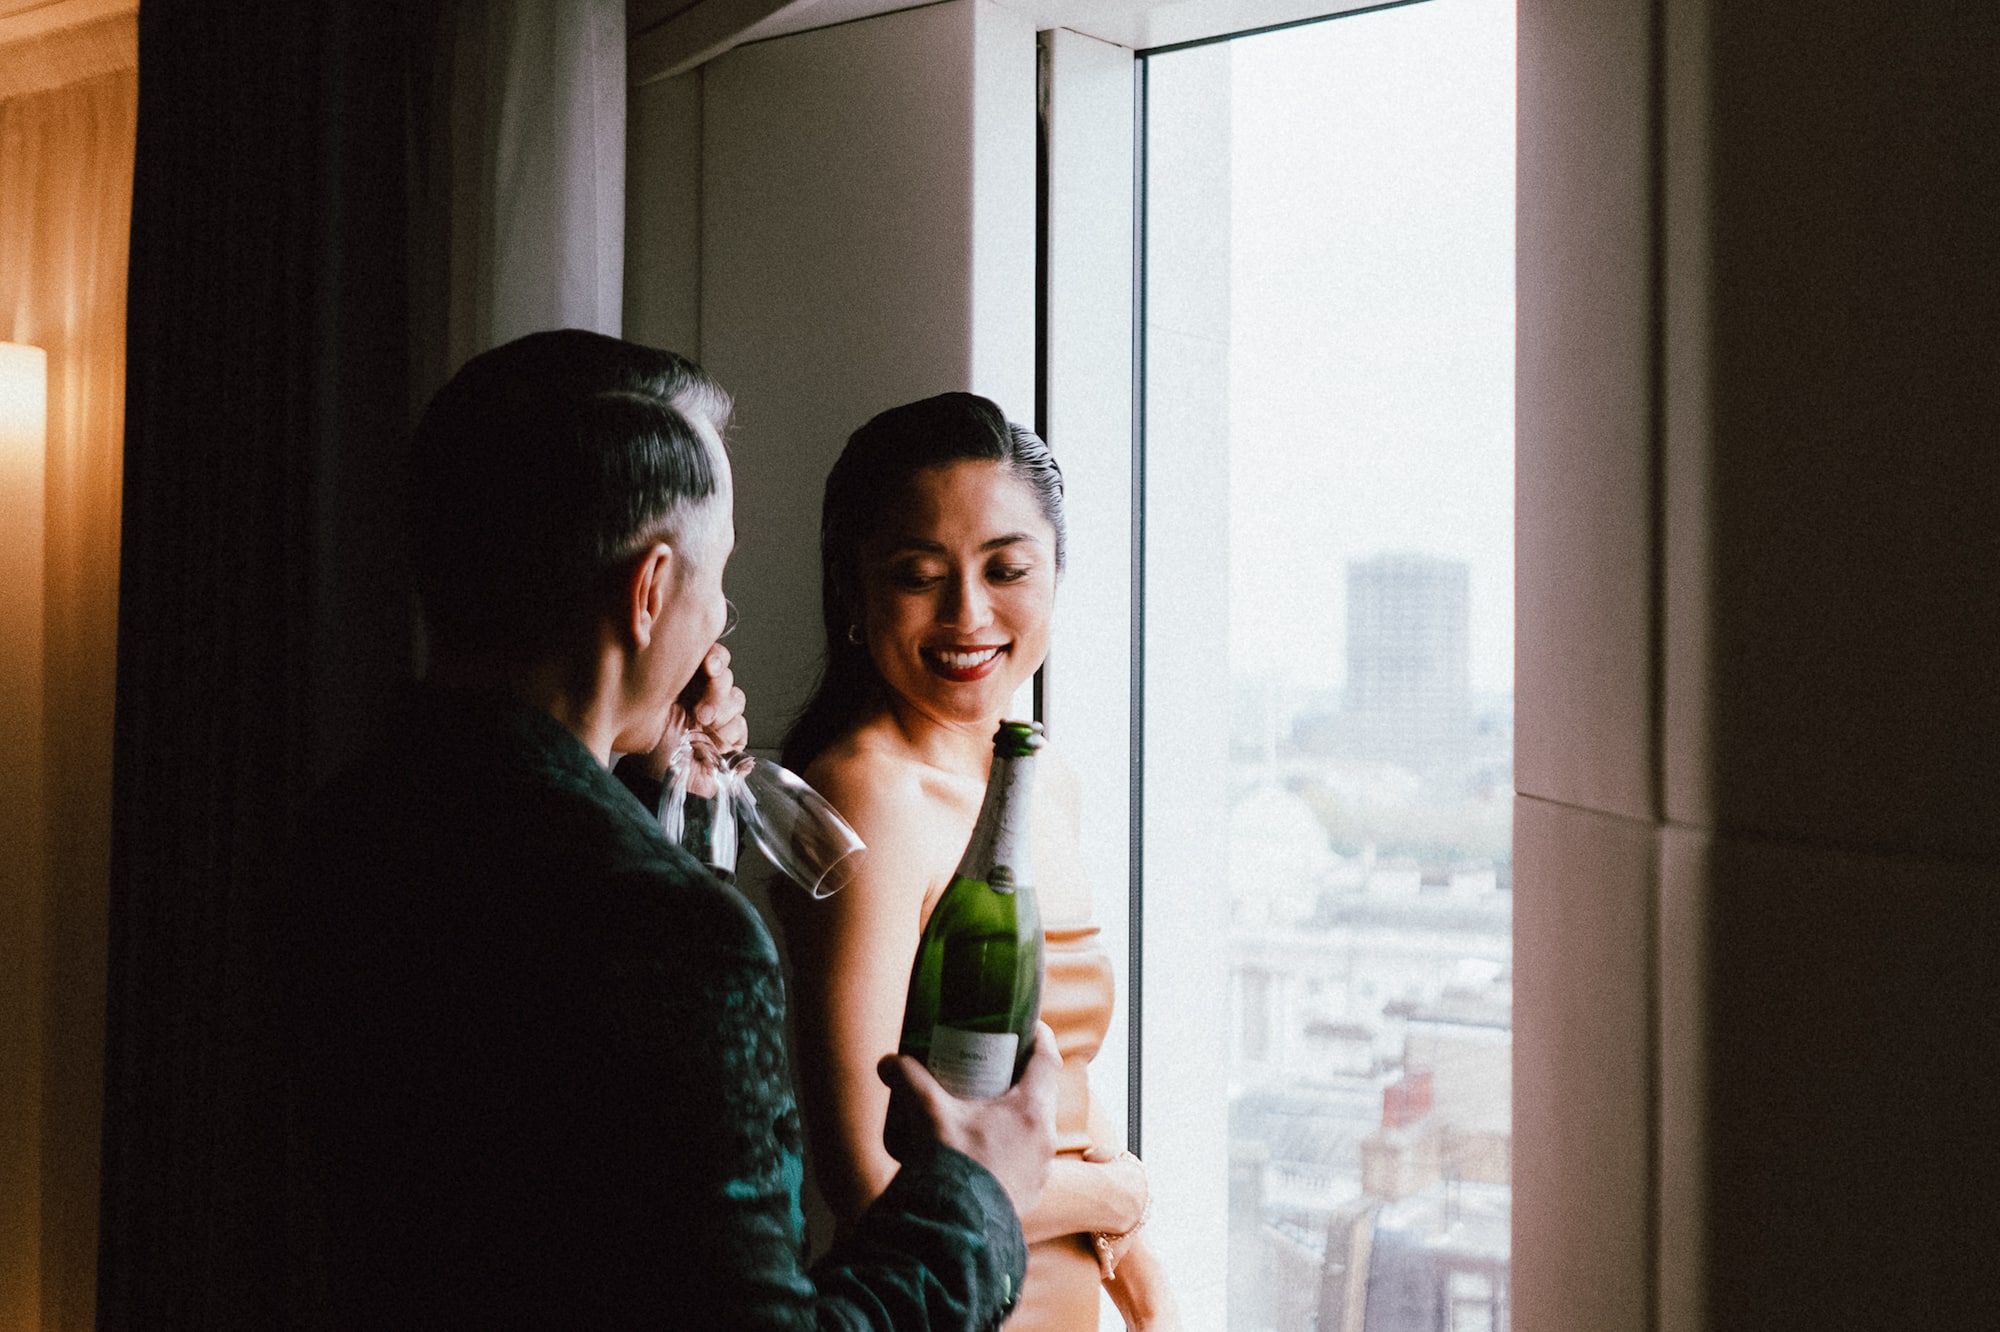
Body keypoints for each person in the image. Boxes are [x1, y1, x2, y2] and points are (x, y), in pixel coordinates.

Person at [285, 331, 1059, 1328]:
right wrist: (975, 1197)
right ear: (650, 589)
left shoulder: (348, 833)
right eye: (715, 576)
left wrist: (647, 775)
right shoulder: (669, 937)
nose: (722, 615)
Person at [776, 394, 1181, 1330]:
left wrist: (1132, 1257)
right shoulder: (868, 793)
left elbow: (1060, 1074)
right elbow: (872, 1184)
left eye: (1008, 569)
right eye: (920, 575)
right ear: (855, 590)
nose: (968, 614)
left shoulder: (1041, 778)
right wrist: (1110, 1201)